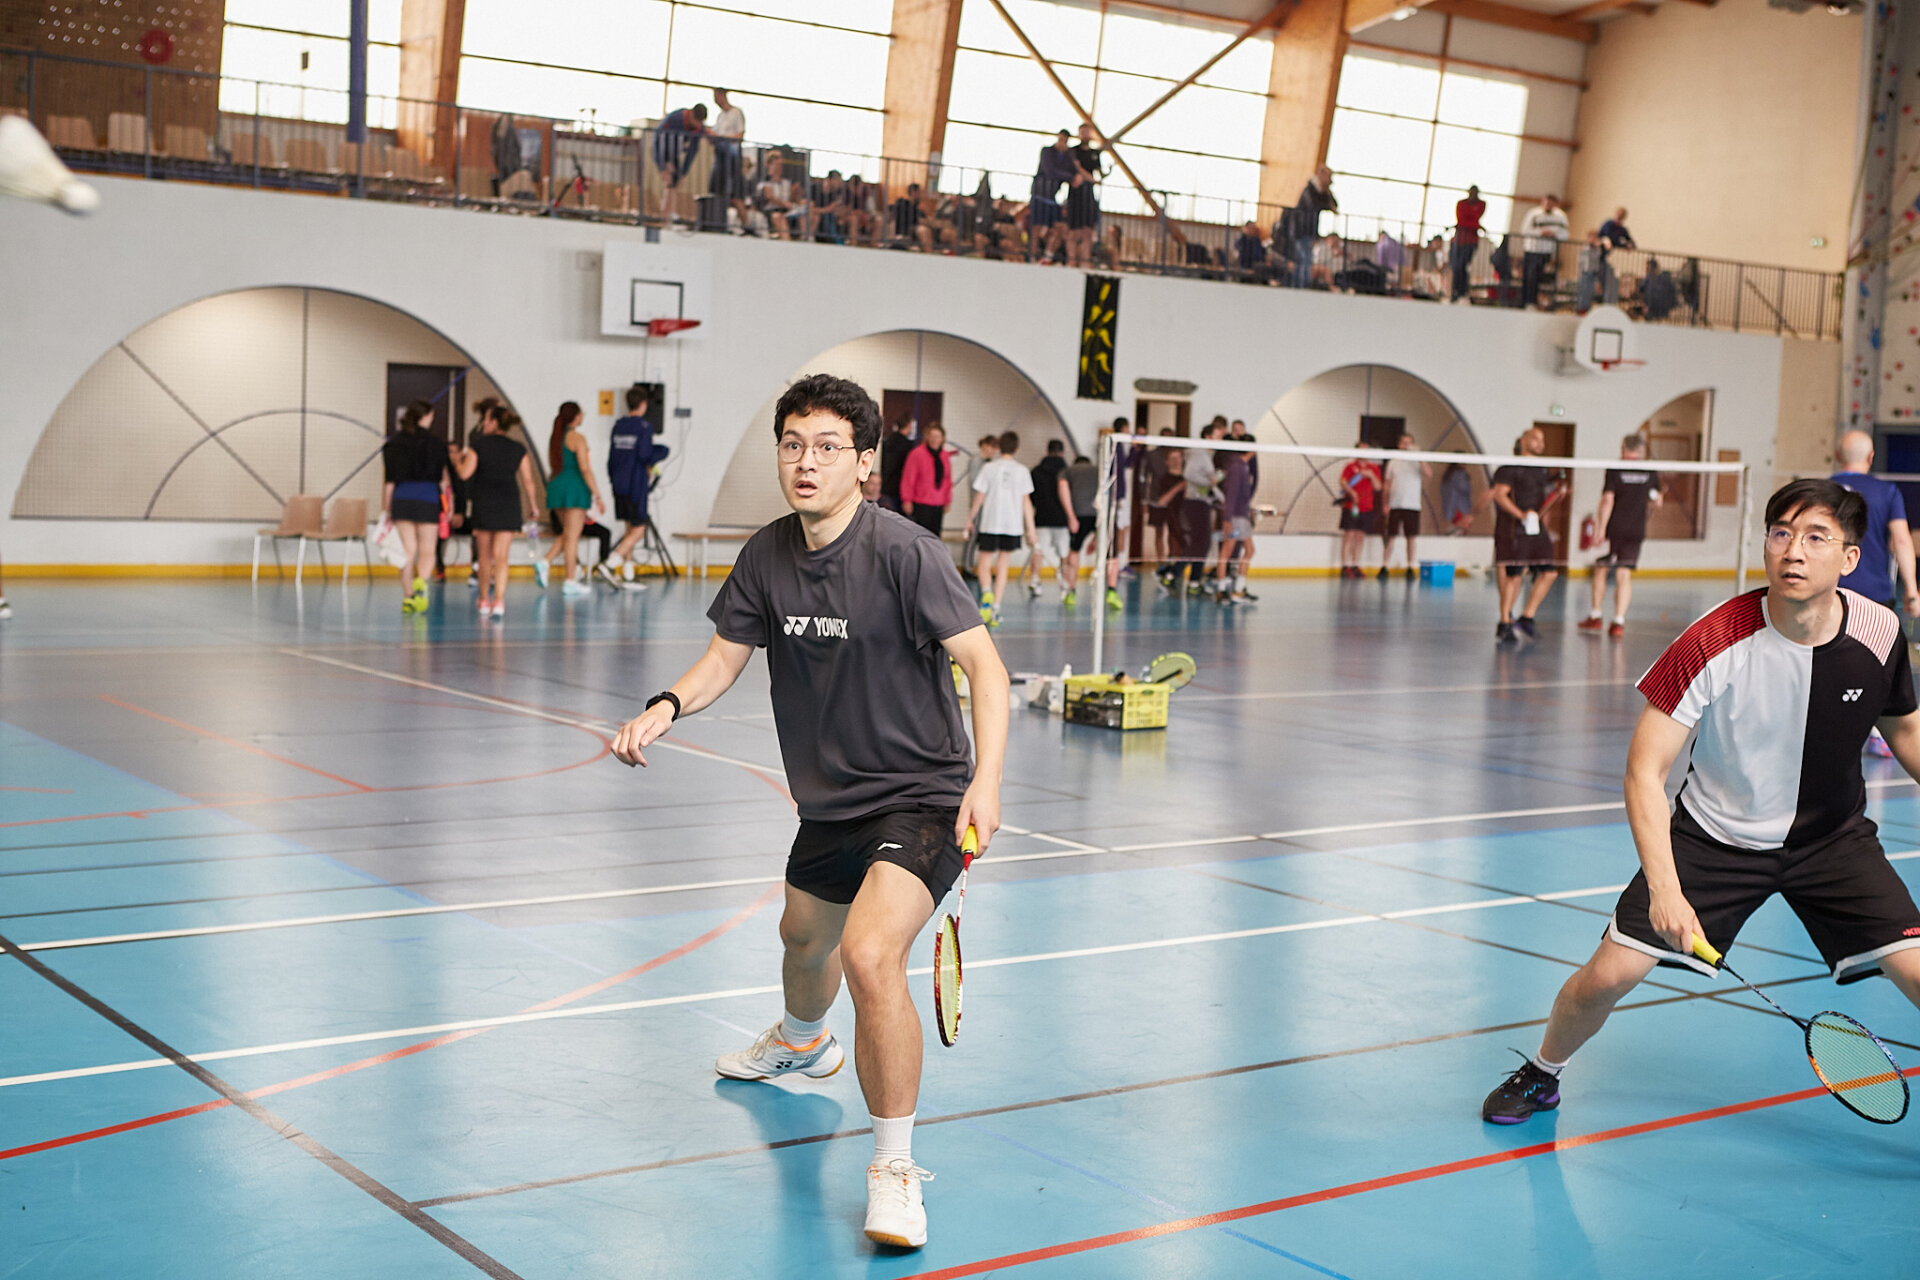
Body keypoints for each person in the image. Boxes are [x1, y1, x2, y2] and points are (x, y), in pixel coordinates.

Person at [610, 373, 1008, 1251]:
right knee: (801, 941)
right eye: (793, 444)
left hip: (922, 797)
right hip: (829, 805)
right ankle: (801, 1041)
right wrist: (667, 705)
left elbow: (985, 667)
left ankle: (894, 1168)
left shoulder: (905, 554)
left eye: (828, 447)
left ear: (865, 464)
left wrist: (986, 781)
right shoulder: (767, 555)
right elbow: (724, 658)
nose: (806, 461)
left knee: (869, 955)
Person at [1482, 479, 1920, 1125]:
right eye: (1781, 534)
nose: (1793, 551)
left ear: (1850, 558)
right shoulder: (1713, 639)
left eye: (1815, 537)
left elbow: (1904, 730)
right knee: (1607, 976)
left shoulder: (1880, 631)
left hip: (1833, 843)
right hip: (1715, 841)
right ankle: (1544, 1072)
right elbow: (1644, 771)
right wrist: (1665, 889)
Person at [454, 408, 542, 619]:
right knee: (502, 556)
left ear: (494, 422)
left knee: (484, 556)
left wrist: (457, 459)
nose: (483, 424)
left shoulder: (478, 445)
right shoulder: (517, 448)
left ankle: (484, 599)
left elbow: (465, 473)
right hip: (508, 503)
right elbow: (528, 481)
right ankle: (499, 601)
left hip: (484, 502)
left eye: (486, 420)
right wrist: (533, 505)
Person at [1831, 429, 1920, 620]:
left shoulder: (1820, 491)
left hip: (1828, 590)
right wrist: (1912, 591)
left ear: (1837, 456)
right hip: (1874, 594)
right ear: (1871, 457)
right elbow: (1902, 541)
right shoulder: (1887, 491)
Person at [1580, 434, 1662, 637]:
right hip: (1636, 530)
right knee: (1624, 573)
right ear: (1640, 450)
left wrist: (1600, 529)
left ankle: (1596, 616)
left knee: (1601, 568)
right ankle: (1618, 621)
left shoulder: (1615, 468)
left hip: (1615, 529)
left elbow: (1607, 500)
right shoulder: (1650, 470)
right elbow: (1657, 501)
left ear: (1623, 447)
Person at [1490, 427, 1564, 642]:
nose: (1541, 443)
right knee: (1514, 575)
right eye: (1536, 439)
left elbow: (1543, 499)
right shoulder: (1508, 468)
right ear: (1523, 440)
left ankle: (1527, 616)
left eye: (1543, 439)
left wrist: (1557, 495)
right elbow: (1499, 495)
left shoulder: (1542, 469)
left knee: (1549, 572)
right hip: (1514, 528)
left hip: (1536, 527)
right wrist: (1520, 515)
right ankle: (1505, 622)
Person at [382, 399, 448, 614]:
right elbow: (443, 480)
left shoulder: (394, 443)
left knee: (408, 551)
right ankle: (422, 580)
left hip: (402, 497)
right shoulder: (437, 444)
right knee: (428, 550)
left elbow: (389, 481)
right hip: (428, 497)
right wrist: (448, 505)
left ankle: (408, 596)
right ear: (425, 417)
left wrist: (387, 508)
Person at [966, 432, 1036, 626]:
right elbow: (1026, 503)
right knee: (1003, 566)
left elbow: (979, 497)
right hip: (1012, 526)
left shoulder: (989, 468)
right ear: (1017, 448)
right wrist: (1031, 529)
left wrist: (970, 519)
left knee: (984, 563)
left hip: (990, 523)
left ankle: (986, 592)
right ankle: (996, 609)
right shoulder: (1022, 471)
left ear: (999, 447)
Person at [605, 386, 671, 586]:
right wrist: (661, 452)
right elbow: (644, 455)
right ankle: (611, 563)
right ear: (643, 404)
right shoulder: (644, 427)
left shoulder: (618, 426)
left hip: (618, 484)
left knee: (629, 528)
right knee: (639, 530)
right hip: (635, 485)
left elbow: (611, 459)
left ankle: (628, 573)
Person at [540, 401, 606, 598]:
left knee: (568, 533)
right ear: (577, 416)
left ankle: (546, 562)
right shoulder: (577, 438)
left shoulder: (556, 438)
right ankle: (568, 579)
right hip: (574, 488)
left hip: (557, 486)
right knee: (572, 537)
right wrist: (597, 495)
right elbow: (585, 468)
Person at [1022, 439, 1075, 600]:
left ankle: (1035, 580)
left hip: (1041, 518)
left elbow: (1030, 498)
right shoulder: (1067, 472)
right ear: (1062, 453)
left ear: (1047, 451)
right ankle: (1064, 584)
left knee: (1038, 552)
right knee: (1064, 554)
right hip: (1061, 520)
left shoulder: (1036, 472)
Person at [1381, 432, 1429, 579]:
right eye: (1404, 443)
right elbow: (1387, 484)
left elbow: (1428, 473)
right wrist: (1385, 503)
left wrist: (1419, 455)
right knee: (1391, 536)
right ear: (1399, 444)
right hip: (1395, 505)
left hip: (1412, 505)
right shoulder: (1393, 462)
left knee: (1411, 537)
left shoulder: (1418, 462)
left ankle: (1410, 566)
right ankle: (1384, 566)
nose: (1407, 446)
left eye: (1410, 443)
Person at [651, 102, 707, 220]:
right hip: (664, 152)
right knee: (669, 182)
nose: (696, 125)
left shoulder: (698, 128)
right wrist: (662, 167)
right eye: (695, 121)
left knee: (675, 183)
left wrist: (684, 173)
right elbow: (658, 142)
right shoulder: (674, 119)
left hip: (676, 154)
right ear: (691, 113)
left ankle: (669, 212)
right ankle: (665, 214)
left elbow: (692, 151)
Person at [1284, 166, 1337, 289]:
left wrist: (1327, 191)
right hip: (1300, 232)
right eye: (1328, 177)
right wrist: (1325, 192)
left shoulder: (1320, 192)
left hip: (1308, 233)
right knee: (1303, 260)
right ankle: (1300, 287)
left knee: (1305, 260)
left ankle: (1301, 286)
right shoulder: (1310, 190)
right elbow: (1316, 204)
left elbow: (1333, 205)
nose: (1329, 181)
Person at [1029, 131, 1077, 264]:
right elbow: (1049, 170)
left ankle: (1047, 256)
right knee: (1036, 227)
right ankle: (1032, 257)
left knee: (1059, 227)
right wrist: (1070, 177)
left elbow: (1072, 170)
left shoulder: (1068, 156)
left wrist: (1070, 173)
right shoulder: (1047, 151)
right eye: (1061, 139)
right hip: (1040, 193)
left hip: (1052, 197)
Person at [899, 423, 954, 537]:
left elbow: (947, 480)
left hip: (938, 503)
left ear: (942, 439)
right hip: (921, 503)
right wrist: (907, 499)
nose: (934, 440)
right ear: (927, 437)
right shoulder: (917, 454)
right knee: (921, 536)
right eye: (932, 436)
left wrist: (947, 500)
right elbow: (909, 478)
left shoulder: (944, 456)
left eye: (937, 437)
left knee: (935, 536)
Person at [1337, 442, 1382, 579]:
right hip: (1351, 506)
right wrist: (1352, 493)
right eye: (1362, 450)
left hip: (1367, 507)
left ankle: (1355, 565)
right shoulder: (1350, 466)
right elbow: (1342, 481)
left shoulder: (1373, 468)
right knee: (1349, 535)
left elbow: (1378, 487)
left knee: (1360, 536)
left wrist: (1371, 475)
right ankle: (1345, 566)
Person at [1061, 450, 1099, 606]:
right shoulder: (1098, 471)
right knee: (1106, 554)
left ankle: (1072, 589)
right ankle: (1108, 589)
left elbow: (1063, 491)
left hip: (1079, 515)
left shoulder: (1068, 471)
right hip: (1098, 515)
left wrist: (1071, 517)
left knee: (1074, 551)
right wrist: (1096, 539)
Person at [1519, 194, 1569, 310]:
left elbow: (1565, 234)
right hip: (1532, 249)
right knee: (1530, 276)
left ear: (1555, 204)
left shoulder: (1560, 216)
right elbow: (1525, 230)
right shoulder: (1534, 213)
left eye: (1550, 203)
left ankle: (1536, 301)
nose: (1547, 206)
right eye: (1546, 203)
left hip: (1546, 251)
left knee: (1539, 277)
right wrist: (1541, 233)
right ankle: (1527, 302)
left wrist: (1554, 234)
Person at [1065, 122, 1104, 269]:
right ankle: (1071, 260)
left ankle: (1085, 260)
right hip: (1075, 194)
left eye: (1087, 132)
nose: (1085, 135)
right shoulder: (1073, 151)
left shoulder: (1095, 153)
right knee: (1073, 230)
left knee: (1087, 230)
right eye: (1082, 132)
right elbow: (1075, 168)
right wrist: (1088, 177)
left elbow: (1099, 173)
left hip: (1088, 195)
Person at [709, 88, 748, 230]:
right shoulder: (720, 116)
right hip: (720, 157)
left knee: (736, 193)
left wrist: (722, 138)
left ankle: (746, 226)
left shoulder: (736, 112)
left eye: (716, 96)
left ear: (722, 95)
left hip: (732, 157)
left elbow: (739, 135)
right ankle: (718, 223)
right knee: (716, 191)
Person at [1451, 185, 1485, 303]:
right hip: (1458, 240)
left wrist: (1472, 223)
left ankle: (1462, 291)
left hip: (1471, 241)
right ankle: (1455, 291)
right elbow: (1461, 220)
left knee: (1463, 266)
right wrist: (1476, 225)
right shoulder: (1461, 203)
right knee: (1456, 266)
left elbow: (1474, 218)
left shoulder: (1481, 204)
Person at [756, 152, 801, 240]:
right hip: (770, 212)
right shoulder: (765, 181)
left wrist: (795, 193)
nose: (778, 167)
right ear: (769, 165)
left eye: (780, 165)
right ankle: (787, 242)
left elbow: (791, 200)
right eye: (776, 164)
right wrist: (785, 204)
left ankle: (806, 238)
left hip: (787, 211)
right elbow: (769, 196)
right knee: (778, 217)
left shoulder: (786, 182)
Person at [878, 418, 916, 513]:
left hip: (885, 484)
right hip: (899, 486)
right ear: (908, 426)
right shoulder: (908, 445)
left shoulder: (888, 441)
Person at [1441, 461, 1474, 534]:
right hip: (1461, 507)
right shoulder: (1460, 474)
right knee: (1462, 529)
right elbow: (1464, 487)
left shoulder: (1448, 475)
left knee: (1457, 529)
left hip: (1452, 509)